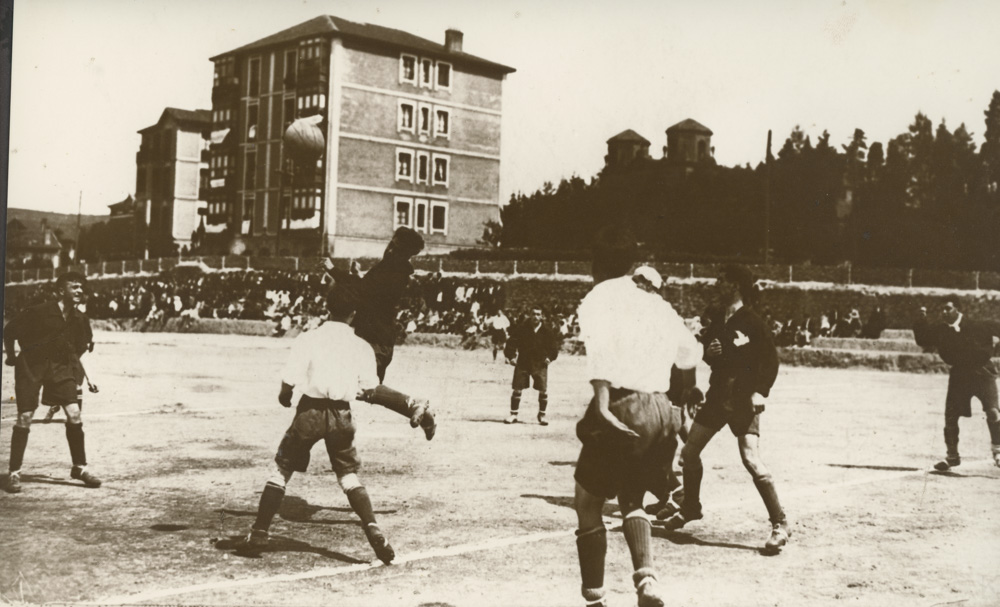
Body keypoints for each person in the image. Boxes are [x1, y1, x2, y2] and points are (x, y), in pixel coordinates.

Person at [242, 283, 436, 563]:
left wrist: (285, 396)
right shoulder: (361, 346)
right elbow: (370, 387)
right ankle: (372, 527)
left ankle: (259, 531)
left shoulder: (309, 338)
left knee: (282, 470)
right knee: (347, 476)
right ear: (354, 313)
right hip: (342, 415)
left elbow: (290, 378)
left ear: (327, 308)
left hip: (309, 412)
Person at [573, 226, 702, 607]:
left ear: (595, 265)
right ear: (631, 264)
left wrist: (601, 403)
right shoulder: (655, 302)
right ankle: (646, 581)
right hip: (660, 408)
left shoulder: (599, 296)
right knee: (632, 498)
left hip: (622, 403)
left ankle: (595, 599)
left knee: (587, 501)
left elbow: (600, 350)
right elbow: (689, 354)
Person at [660, 264, 790, 555]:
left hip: (743, 399)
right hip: (717, 397)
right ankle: (691, 507)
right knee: (689, 453)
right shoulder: (718, 317)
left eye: (722, 280)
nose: (716, 283)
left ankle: (780, 523)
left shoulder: (753, 321)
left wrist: (760, 391)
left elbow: (770, 361)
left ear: (736, 285)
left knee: (751, 460)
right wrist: (708, 352)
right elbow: (708, 350)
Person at [3, 272, 101, 494]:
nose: (79, 290)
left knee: (74, 413)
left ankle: (79, 468)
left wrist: (86, 376)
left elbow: (80, 349)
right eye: (74, 287)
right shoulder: (39, 312)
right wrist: (11, 356)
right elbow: (9, 331)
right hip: (31, 365)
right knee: (25, 416)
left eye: (81, 287)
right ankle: (14, 473)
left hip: (59, 367)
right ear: (60, 291)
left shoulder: (80, 319)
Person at [323, 227, 424, 383]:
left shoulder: (391, 269)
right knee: (362, 383)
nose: (388, 247)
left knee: (364, 384)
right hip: (378, 336)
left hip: (374, 338)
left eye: (393, 243)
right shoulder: (396, 269)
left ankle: (400, 401)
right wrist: (357, 275)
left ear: (398, 249)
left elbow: (362, 289)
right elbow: (369, 288)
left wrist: (333, 270)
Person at [913, 301, 1000, 470]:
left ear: (957, 309)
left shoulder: (976, 325)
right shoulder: (941, 329)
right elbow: (922, 339)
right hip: (959, 376)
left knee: (993, 412)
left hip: (982, 372)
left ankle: (998, 452)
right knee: (951, 417)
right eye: (942, 309)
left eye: (948, 308)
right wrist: (921, 320)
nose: (944, 312)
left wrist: (995, 346)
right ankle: (952, 457)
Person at [503, 307, 562, 426]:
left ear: (542, 316)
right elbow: (511, 343)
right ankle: (513, 414)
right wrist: (511, 356)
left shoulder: (547, 331)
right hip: (523, 362)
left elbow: (553, 348)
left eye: (538, 314)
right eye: (534, 314)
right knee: (517, 388)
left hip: (540, 363)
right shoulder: (522, 328)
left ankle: (542, 415)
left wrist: (549, 358)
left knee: (543, 390)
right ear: (530, 315)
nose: (536, 317)